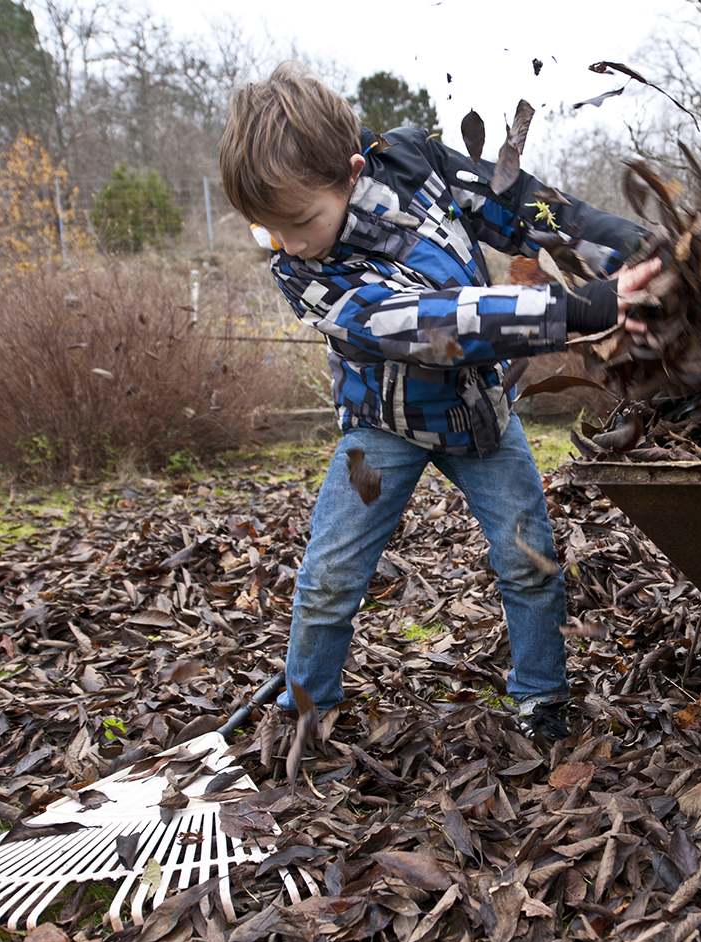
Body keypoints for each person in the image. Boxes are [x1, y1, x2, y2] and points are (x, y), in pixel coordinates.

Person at [219, 63, 661, 740]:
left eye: (302, 221)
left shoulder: (416, 162)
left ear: (353, 168)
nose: (293, 242)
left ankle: (541, 697)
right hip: (383, 425)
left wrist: (620, 250)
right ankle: (305, 711)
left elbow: (518, 209)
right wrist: (576, 310)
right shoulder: (302, 274)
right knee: (331, 573)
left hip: (479, 414)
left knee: (528, 556)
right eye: (272, 230)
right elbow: (435, 324)